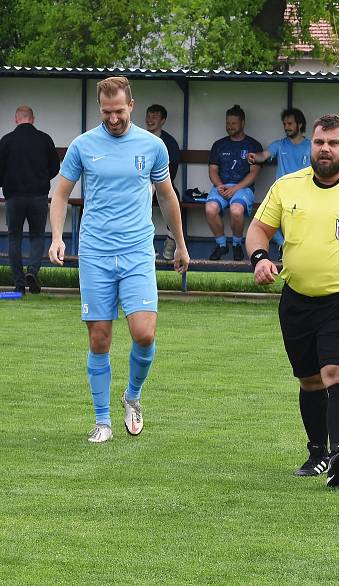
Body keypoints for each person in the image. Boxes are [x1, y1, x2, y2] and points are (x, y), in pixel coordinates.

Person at [246, 113, 339, 488]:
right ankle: (317, 453)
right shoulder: (286, 187)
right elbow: (259, 230)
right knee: (310, 380)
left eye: (332, 143)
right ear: (311, 145)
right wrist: (260, 259)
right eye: (319, 142)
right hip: (296, 301)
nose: (324, 149)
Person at [48, 76, 190, 443]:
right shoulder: (83, 145)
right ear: (101, 109)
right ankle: (102, 421)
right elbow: (61, 194)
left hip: (137, 252)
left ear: (132, 105)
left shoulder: (152, 145)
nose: (113, 118)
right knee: (100, 338)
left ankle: (133, 395)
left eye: (119, 111)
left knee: (144, 334)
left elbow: (167, 196)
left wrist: (180, 243)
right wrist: (59, 237)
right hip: (95, 252)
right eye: (107, 112)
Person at [0, 105, 60, 294]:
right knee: (37, 236)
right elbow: (55, 167)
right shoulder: (44, 139)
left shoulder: (6, 141)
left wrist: (7, 184)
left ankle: (19, 284)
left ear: (16, 119)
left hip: (14, 197)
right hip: (38, 196)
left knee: (14, 237)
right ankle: (32, 272)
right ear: (32, 119)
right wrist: (42, 181)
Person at [247, 108, 311, 251]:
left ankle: (293, 250)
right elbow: (264, 155)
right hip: (282, 193)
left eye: (290, 124)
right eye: (284, 124)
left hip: (304, 194)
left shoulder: (311, 146)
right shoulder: (279, 144)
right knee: (264, 218)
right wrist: (254, 157)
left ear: (299, 125)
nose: (286, 127)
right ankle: (283, 246)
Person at [206, 105, 263, 261]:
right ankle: (222, 245)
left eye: (233, 123)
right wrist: (219, 185)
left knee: (236, 210)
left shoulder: (253, 145)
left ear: (242, 123)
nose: (230, 126)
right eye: (228, 123)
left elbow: (254, 173)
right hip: (222, 186)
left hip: (243, 188)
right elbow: (212, 170)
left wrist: (236, 188)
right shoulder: (219, 145)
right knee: (210, 209)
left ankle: (237, 244)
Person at [145, 104, 182, 260]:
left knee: (175, 197)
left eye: (155, 117)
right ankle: (146, 247)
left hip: (163, 184)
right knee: (141, 197)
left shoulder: (169, 142)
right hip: (141, 185)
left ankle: (171, 239)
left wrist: (156, 184)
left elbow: (172, 169)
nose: (150, 120)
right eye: (148, 116)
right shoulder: (139, 138)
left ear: (163, 120)